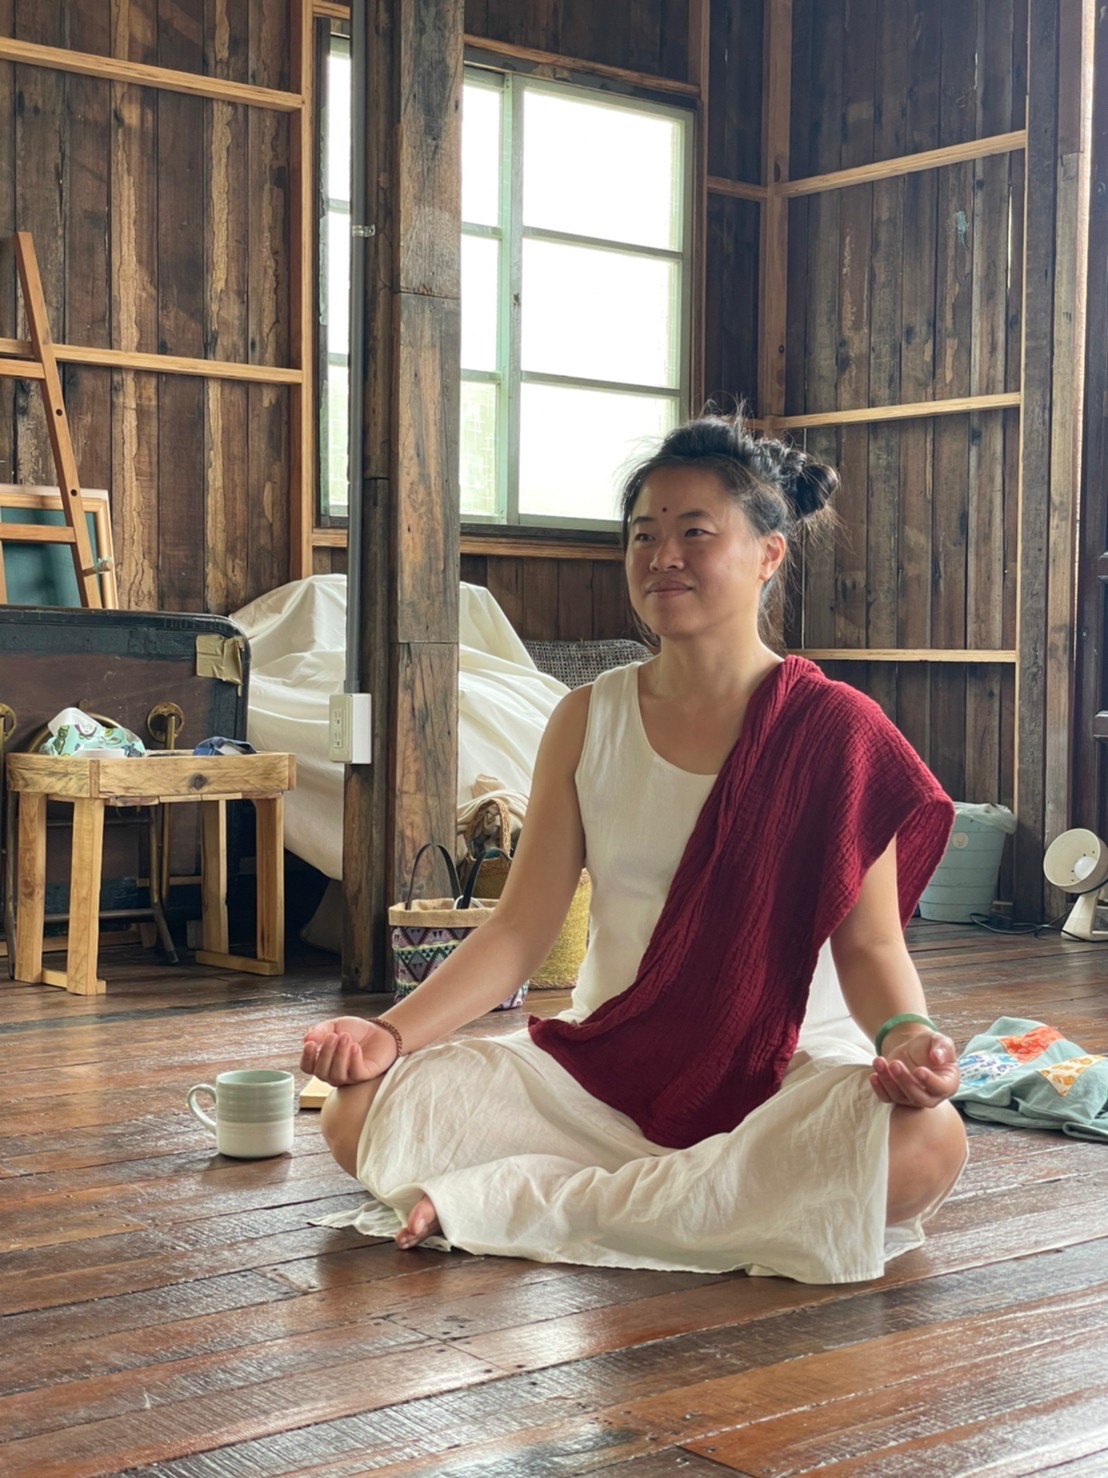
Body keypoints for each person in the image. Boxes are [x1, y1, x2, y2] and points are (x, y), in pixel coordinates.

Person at [301, 413, 968, 1284]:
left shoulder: (836, 729)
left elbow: (872, 945)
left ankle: (523, 1203)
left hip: (786, 1075)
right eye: (644, 535)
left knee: (925, 1147)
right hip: (610, 1070)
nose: (663, 557)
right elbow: (518, 931)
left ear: (768, 555)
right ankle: (680, 1203)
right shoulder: (587, 717)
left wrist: (908, 1036)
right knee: (355, 1112)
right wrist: (388, 1035)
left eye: (695, 533)